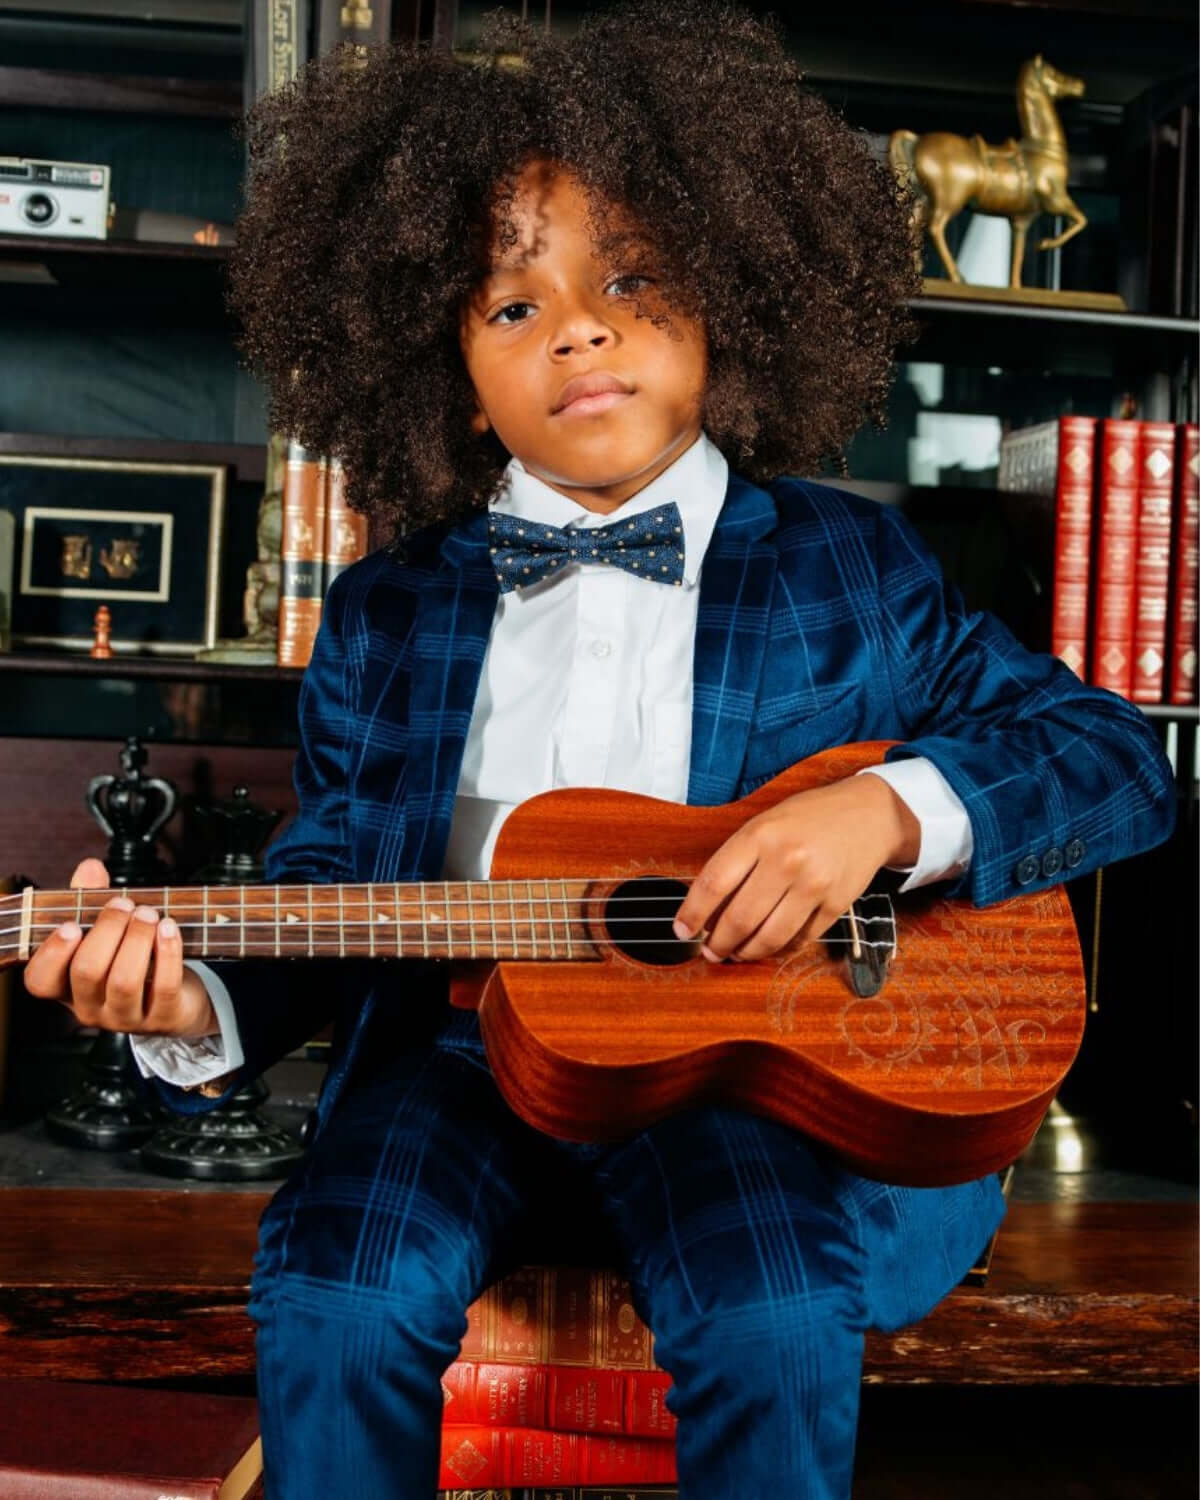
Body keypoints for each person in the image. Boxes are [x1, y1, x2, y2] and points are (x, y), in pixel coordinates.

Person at [22, 5, 1175, 1496]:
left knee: (773, 1317)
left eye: (629, 277)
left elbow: (1110, 759)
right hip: (449, 1059)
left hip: (736, 1076)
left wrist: (882, 818)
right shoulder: (388, 609)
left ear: (737, 292)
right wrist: (187, 995)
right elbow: (326, 888)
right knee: (336, 1294)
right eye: (511, 307)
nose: (577, 326)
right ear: (440, 360)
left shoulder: (850, 569)